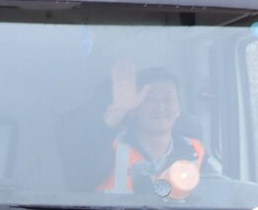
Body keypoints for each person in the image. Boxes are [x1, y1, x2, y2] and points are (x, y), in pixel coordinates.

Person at [93, 60, 219, 199]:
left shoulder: (195, 150)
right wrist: (117, 112)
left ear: (178, 109)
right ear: (134, 109)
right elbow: (80, 175)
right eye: (150, 99)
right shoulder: (110, 146)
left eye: (168, 99)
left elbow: (218, 194)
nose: (160, 107)